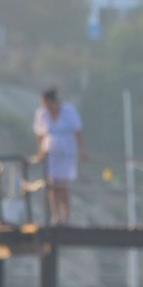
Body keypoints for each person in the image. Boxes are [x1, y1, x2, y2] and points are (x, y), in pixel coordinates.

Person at [33, 87, 87, 225]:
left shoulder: (68, 111)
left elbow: (78, 131)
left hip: (66, 150)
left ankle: (66, 216)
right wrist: (40, 152)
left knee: (63, 184)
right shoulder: (42, 114)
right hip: (50, 151)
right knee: (52, 184)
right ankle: (56, 216)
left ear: (54, 102)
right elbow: (39, 134)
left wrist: (82, 150)